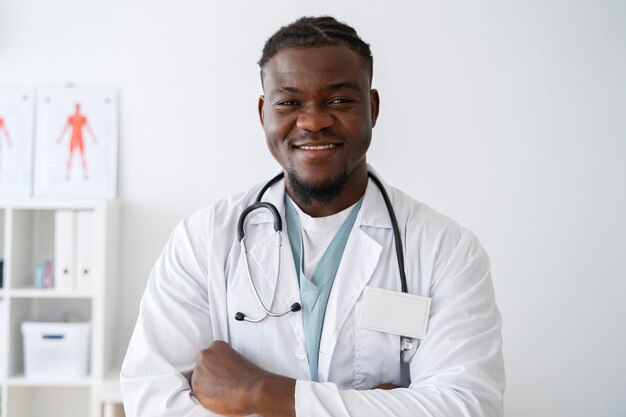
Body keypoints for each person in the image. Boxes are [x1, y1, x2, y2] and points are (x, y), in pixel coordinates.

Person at [121, 16, 505, 417]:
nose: (313, 120)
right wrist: (388, 404)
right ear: (263, 112)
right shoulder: (203, 239)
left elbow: (466, 406)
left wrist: (260, 391)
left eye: (339, 101)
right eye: (289, 102)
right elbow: (152, 397)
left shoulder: (446, 250)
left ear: (372, 108)